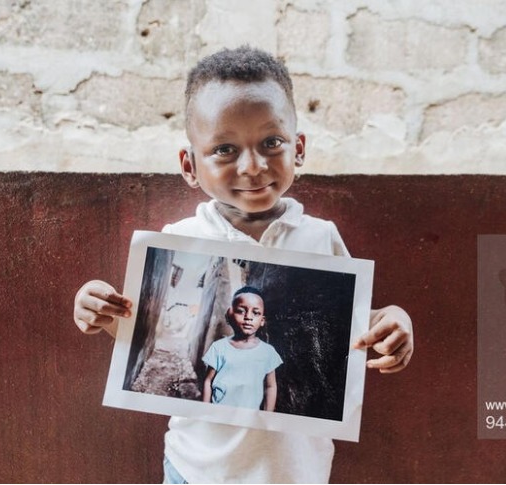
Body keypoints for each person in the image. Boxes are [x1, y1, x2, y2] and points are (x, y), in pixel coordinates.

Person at [73, 45, 414, 483]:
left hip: (294, 473)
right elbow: (143, 330)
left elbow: (353, 329)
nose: (252, 167)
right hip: (196, 470)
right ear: (189, 164)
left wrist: (394, 322)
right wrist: (97, 310)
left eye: (271, 143)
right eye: (225, 149)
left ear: (299, 148)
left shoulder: (319, 236)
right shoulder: (180, 238)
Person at [202, 286, 282, 412]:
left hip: (248, 417)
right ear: (230, 315)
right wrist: (204, 411)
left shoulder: (268, 352)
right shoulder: (219, 348)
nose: (248, 317)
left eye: (256, 313)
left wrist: (267, 416)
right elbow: (208, 381)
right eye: (241, 311)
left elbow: (270, 386)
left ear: (262, 320)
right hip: (218, 413)